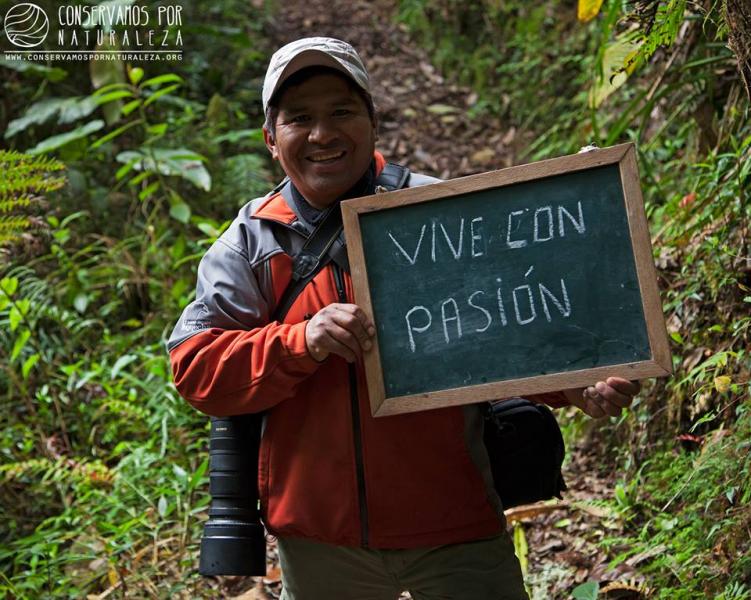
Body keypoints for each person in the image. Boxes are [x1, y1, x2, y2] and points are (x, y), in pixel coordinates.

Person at [168, 37, 641, 600]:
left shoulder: (442, 212)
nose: (322, 134)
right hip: (322, 542)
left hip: (454, 525)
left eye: (341, 111)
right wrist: (300, 342)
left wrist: (579, 383)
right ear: (272, 140)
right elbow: (195, 368)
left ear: (371, 121)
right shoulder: (251, 245)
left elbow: (514, 323)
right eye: (300, 119)